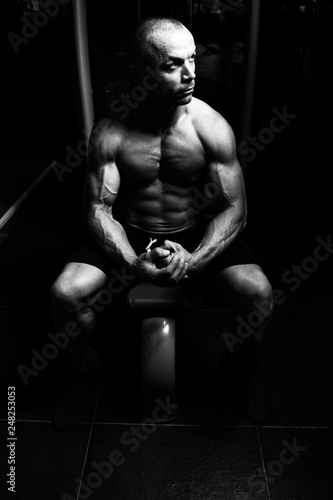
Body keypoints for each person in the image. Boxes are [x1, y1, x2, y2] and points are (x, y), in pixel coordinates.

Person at [50, 17, 273, 431]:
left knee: (258, 291)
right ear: (141, 73)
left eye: (192, 59)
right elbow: (98, 209)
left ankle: (242, 368)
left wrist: (195, 260)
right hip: (130, 229)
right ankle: (81, 369)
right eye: (173, 65)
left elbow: (235, 209)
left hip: (191, 229)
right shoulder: (111, 131)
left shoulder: (210, 126)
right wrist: (133, 261)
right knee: (64, 293)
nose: (191, 74)